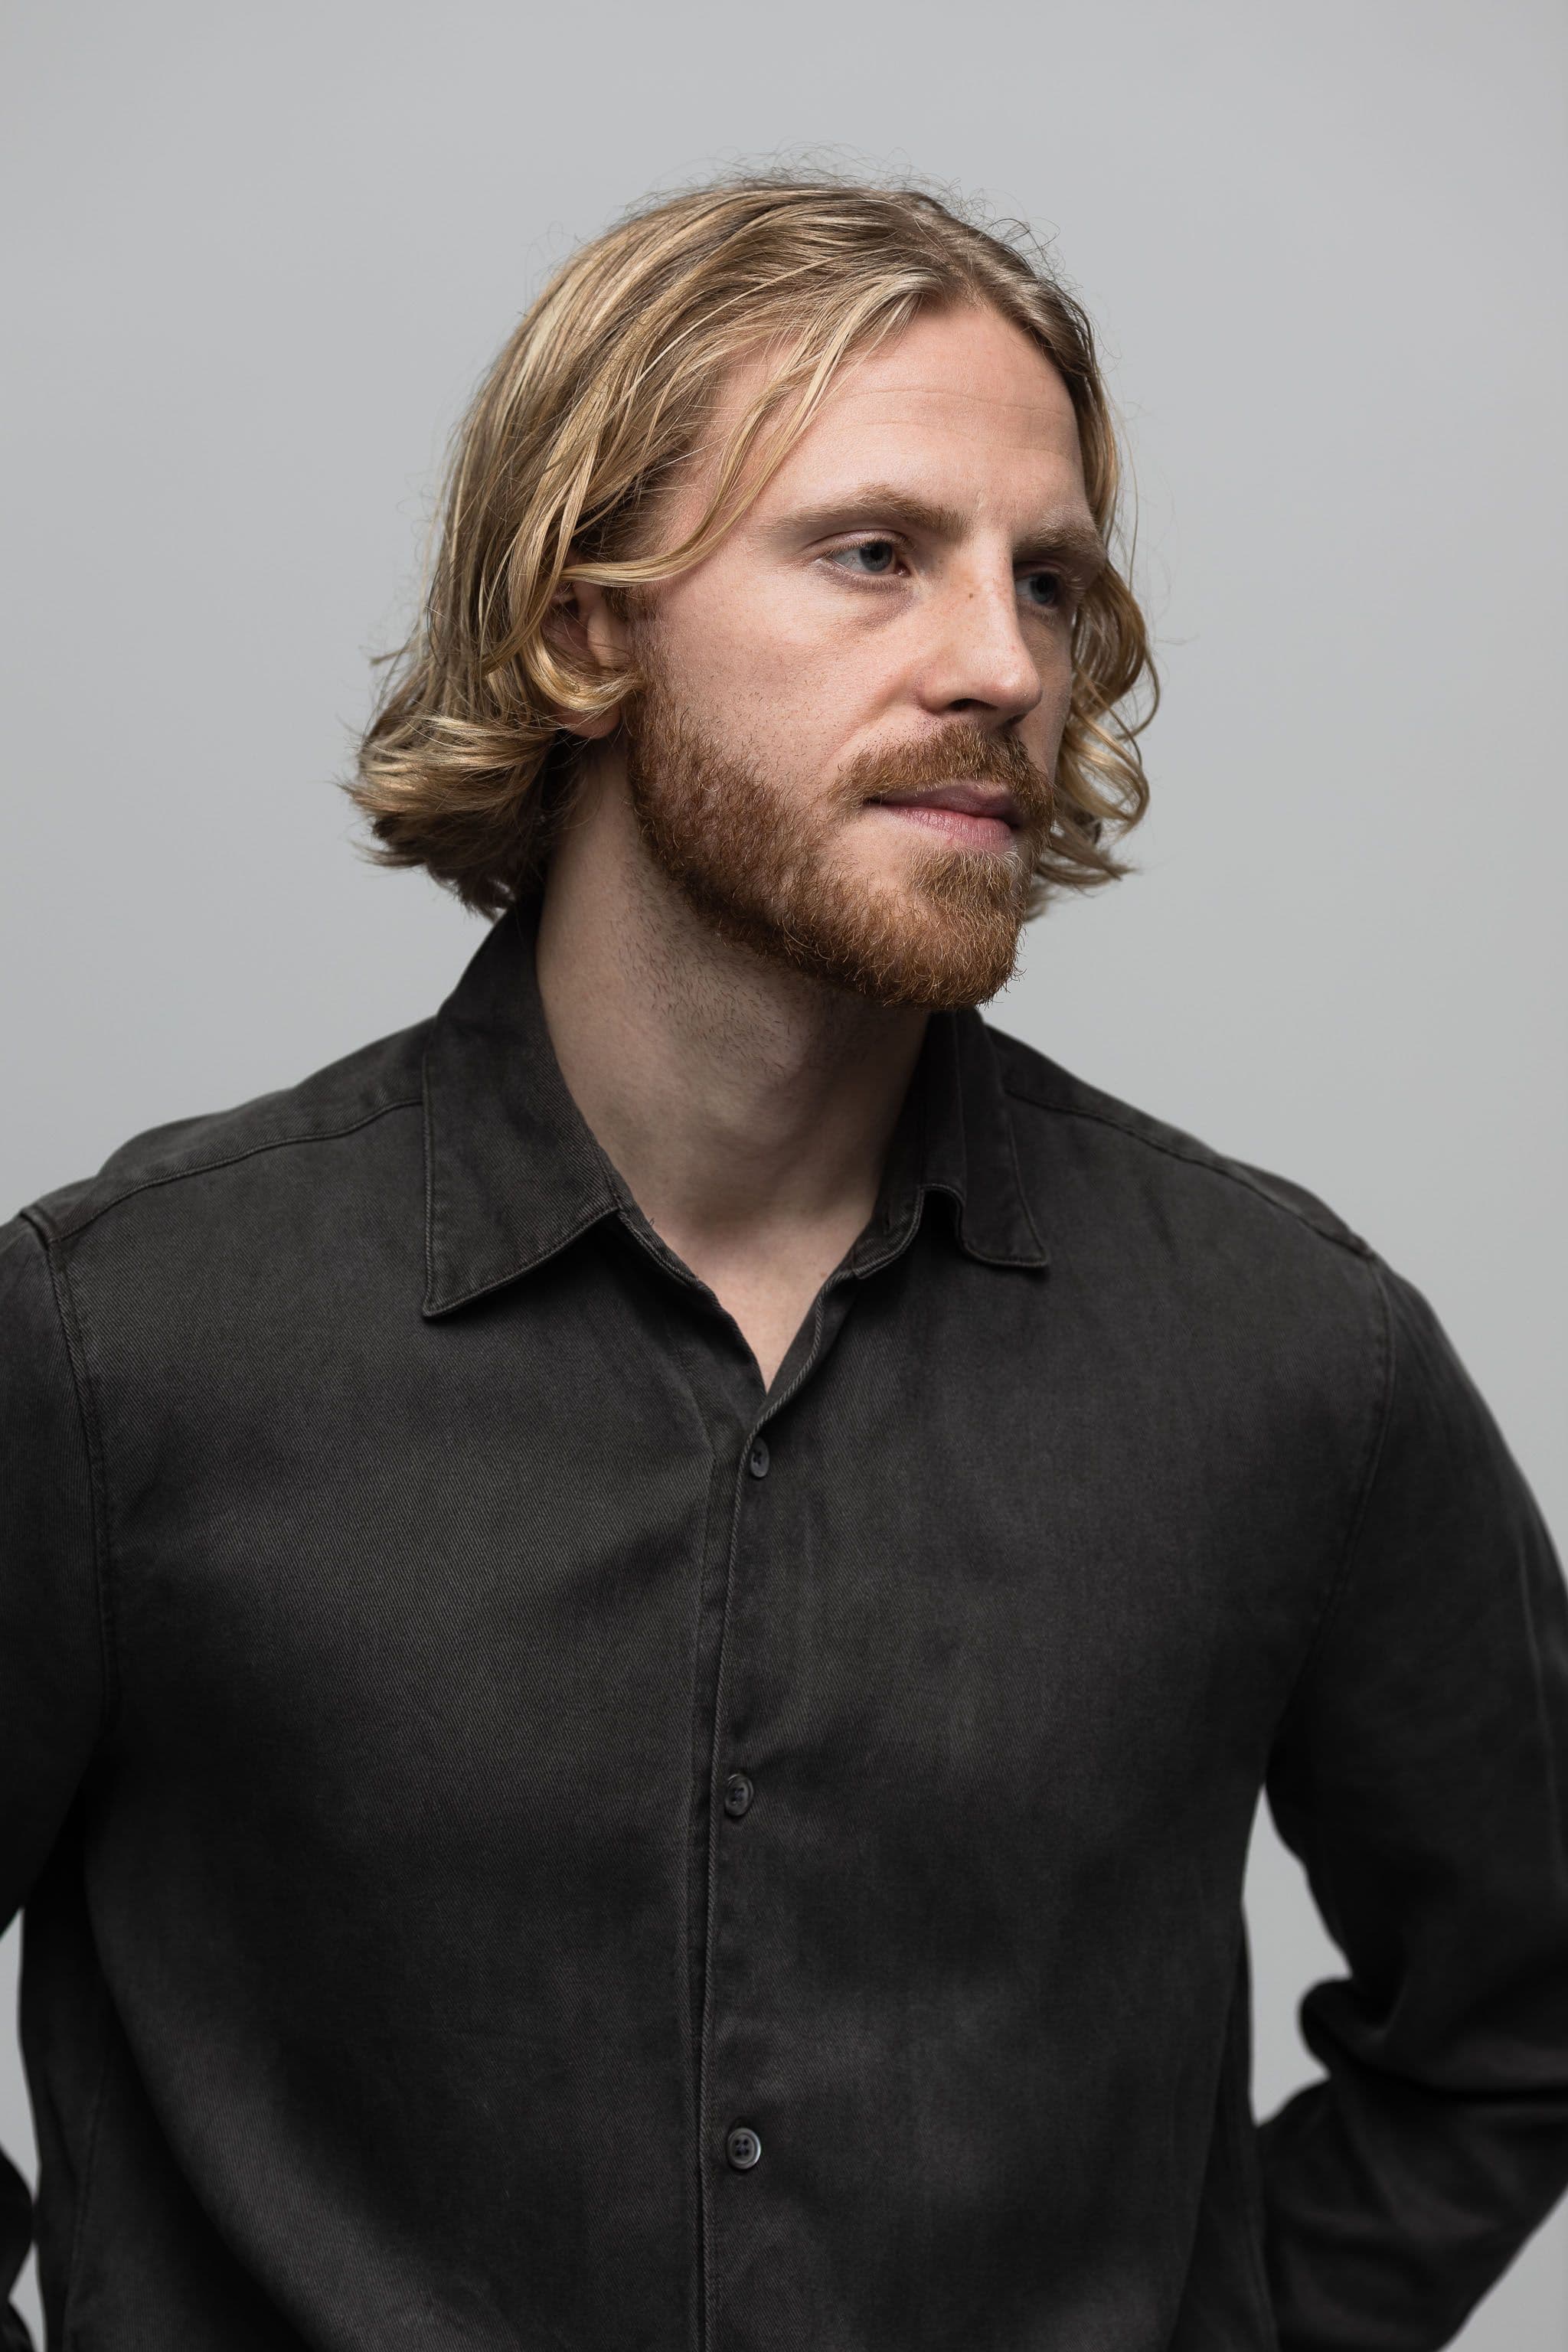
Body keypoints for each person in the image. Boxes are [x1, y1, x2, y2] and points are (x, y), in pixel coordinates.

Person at [2, 170, 1564, 2352]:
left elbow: (1523, 2017)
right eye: (873, 553)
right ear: (584, 629)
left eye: (1050, 581)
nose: (1006, 665)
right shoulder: (114, 1345)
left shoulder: (1295, 1355)